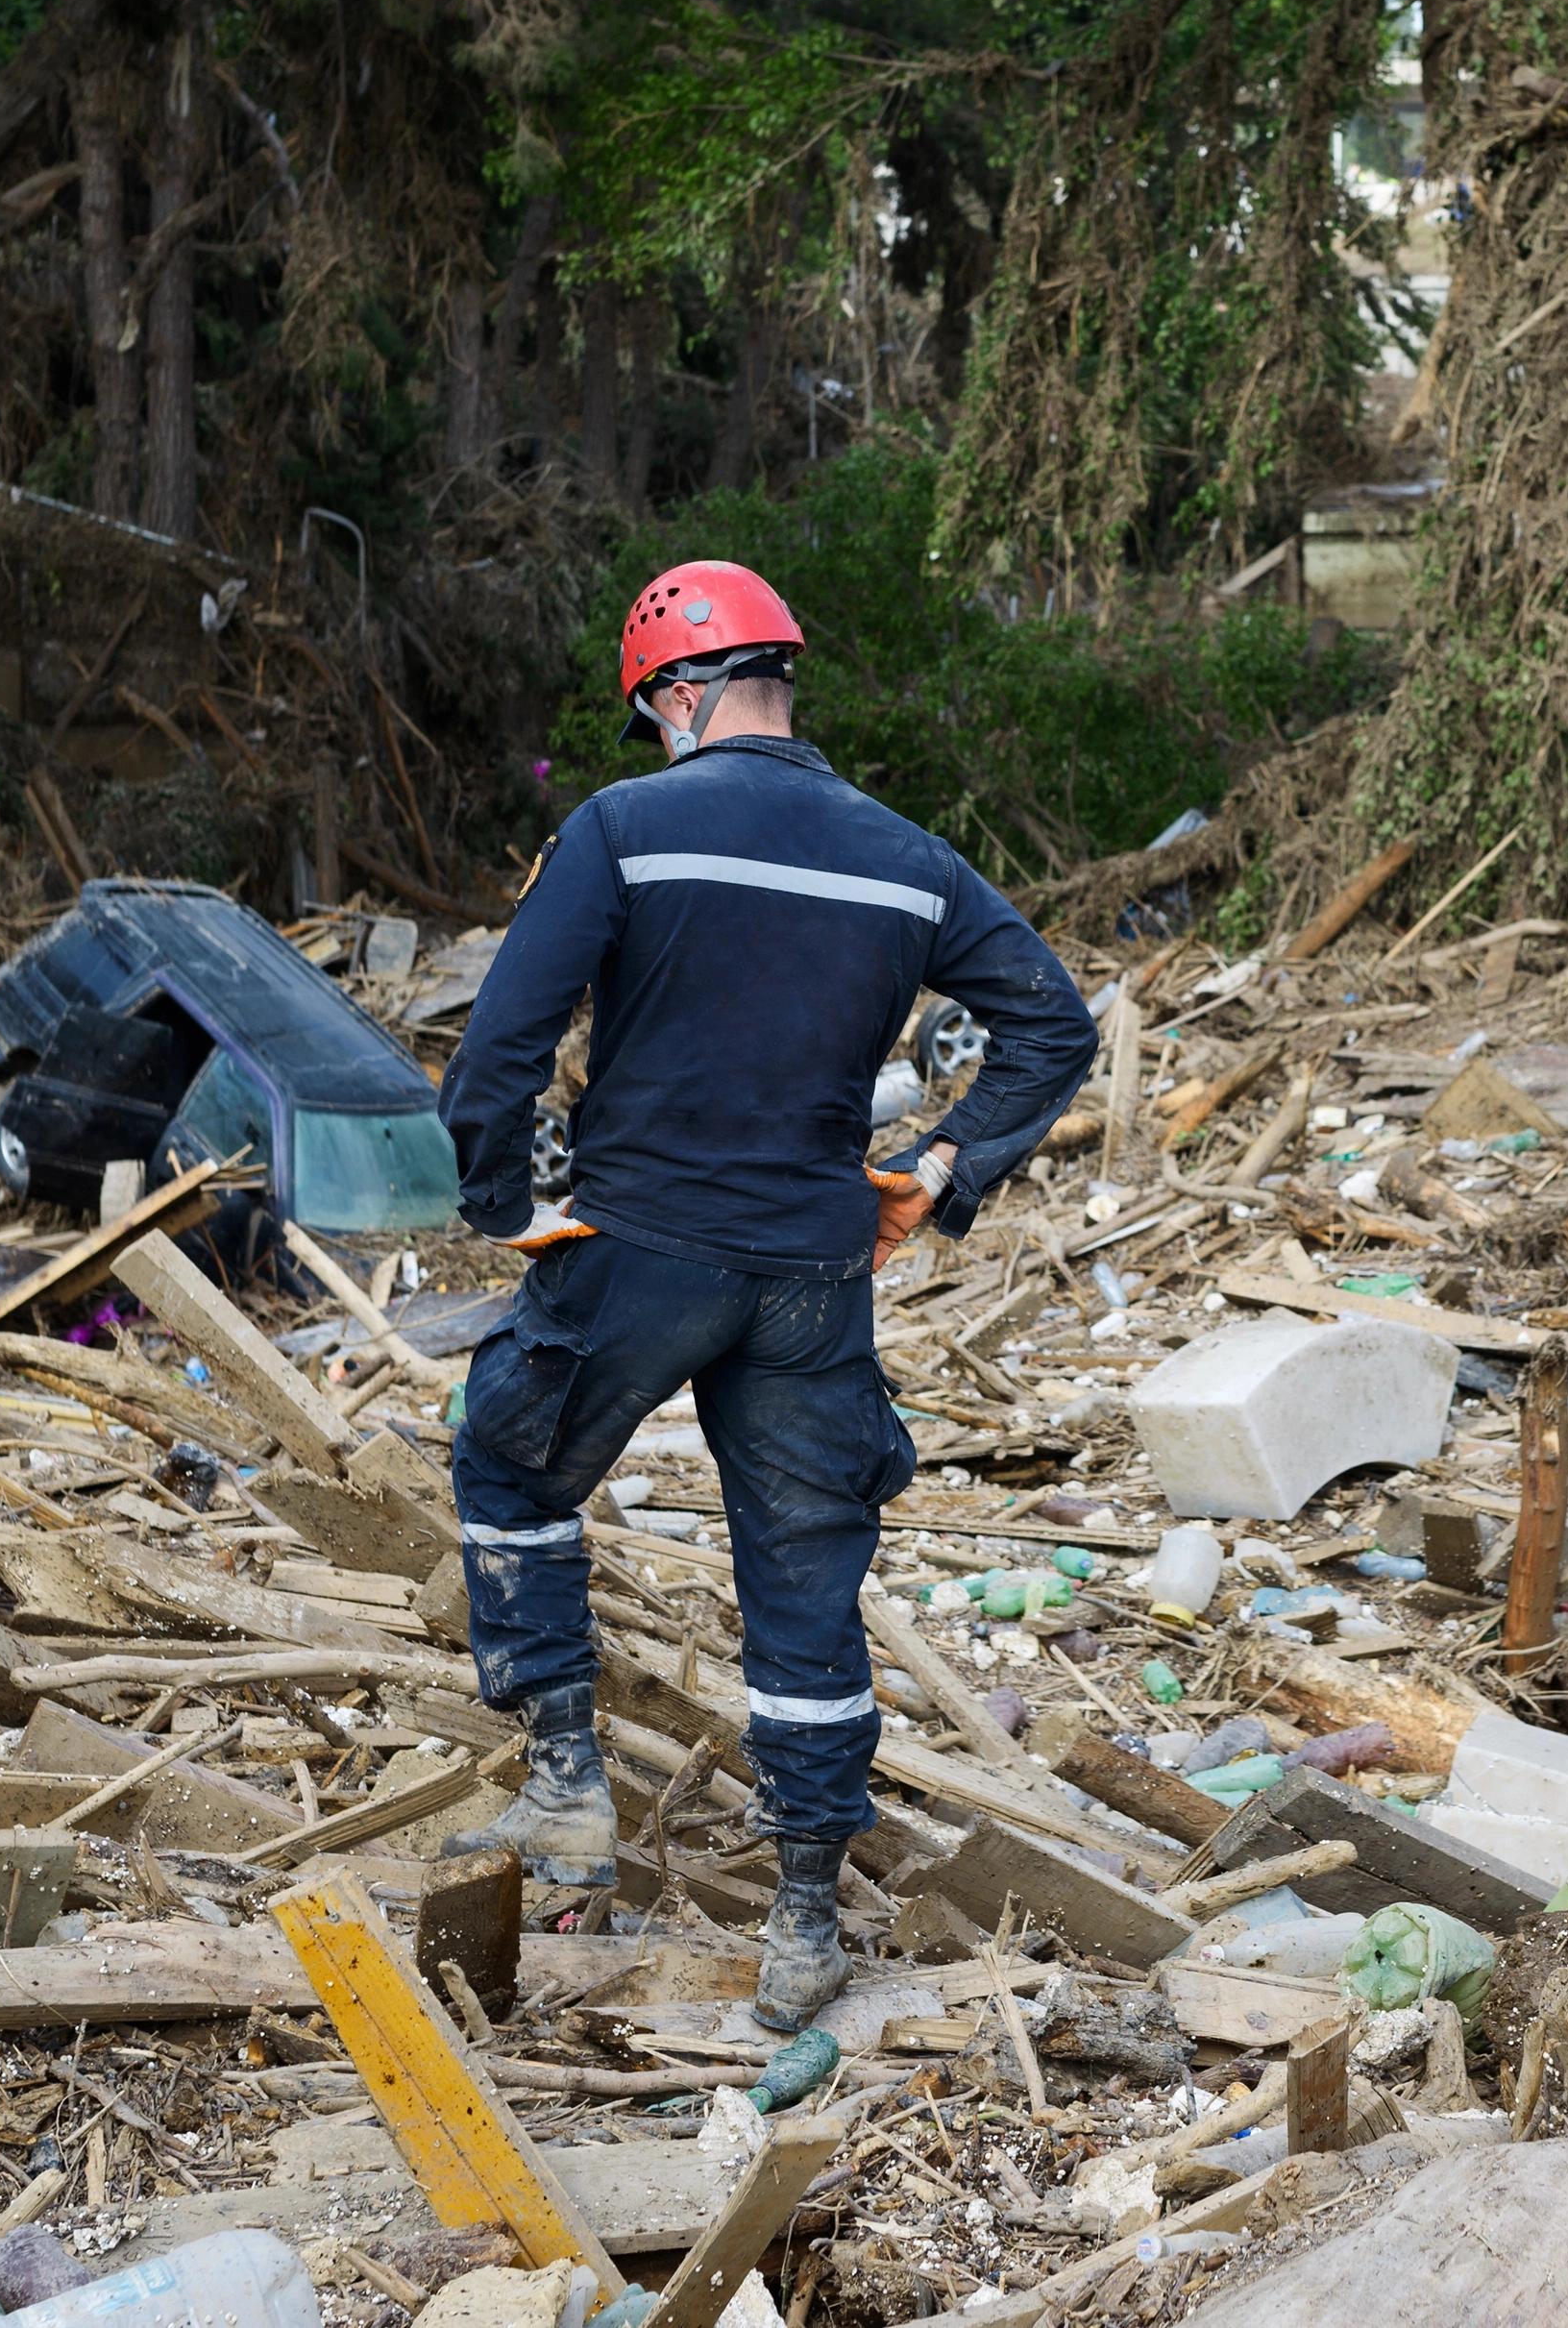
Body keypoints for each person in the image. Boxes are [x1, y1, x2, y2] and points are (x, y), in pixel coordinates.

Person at [433, 557, 1098, 2031]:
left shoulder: (623, 827)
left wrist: (508, 1209)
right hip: (814, 1268)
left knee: (509, 1462)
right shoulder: (907, 856)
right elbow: (1054, 1023)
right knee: (804, 1576)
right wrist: (942, 1165)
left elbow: (495, 1058)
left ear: (675, 692)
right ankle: (804, 1920)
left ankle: (564, 1788)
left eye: (652, 706)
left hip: (638, 1247)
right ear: (776, 677)